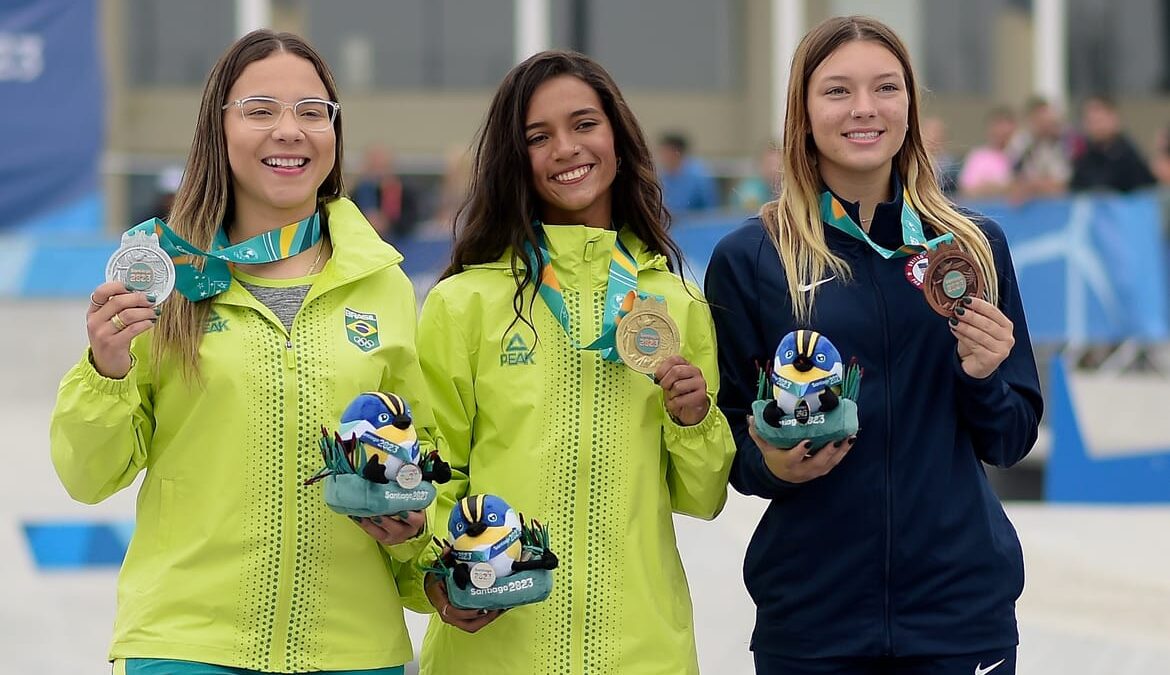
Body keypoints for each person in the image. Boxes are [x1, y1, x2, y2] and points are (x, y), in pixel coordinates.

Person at [50, 30, 433, 675]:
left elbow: (419, 451)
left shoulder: (382, 281)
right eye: (261, 110)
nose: (290, 130)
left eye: (313, 113)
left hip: (351, 650)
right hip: (188, 647)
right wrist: (105, 370)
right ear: (218, 129)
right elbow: (87, 477)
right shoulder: (163, 273)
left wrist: (416, 530)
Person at [704, 16, 1042, 675]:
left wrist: (983, 376)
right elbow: (726, 443)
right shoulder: (752, 257)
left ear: (911, 106)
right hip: (812, 617)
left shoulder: (971, 248)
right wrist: (773, 464)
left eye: (886, 87)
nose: (865, 108)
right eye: (837, 91)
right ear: (802, 110)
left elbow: (1011, 436)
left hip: (959, 614)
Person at [413, 49, 736, 674]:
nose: (566, 148)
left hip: (642, 652)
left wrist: (693, 421)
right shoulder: (465, 304)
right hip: (492, 653)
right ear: (515, 159)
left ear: (617, 138)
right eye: (539, 136)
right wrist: (439, 578)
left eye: (584, 124)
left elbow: (702, 497)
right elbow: (434, 472)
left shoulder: (674, 304)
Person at [1070, 94, 1156, 193]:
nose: (1096, 127)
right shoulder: (1083, 159)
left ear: (1114, 119)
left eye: (1099, 120)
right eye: (1090, 121)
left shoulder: (1130, 157)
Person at [957, 106, 1018, 199]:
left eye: (1007, 124)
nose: (1003, 129)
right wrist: (1003, 188)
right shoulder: (978, 157)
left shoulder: (1019, 155)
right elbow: (967, 190)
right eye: (998, 124)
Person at [657, 131, 719, 214]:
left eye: (664, 152)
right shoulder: (663, 175)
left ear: (675, 152)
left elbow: (711, 210)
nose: (661, 156)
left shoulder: (699, 176)